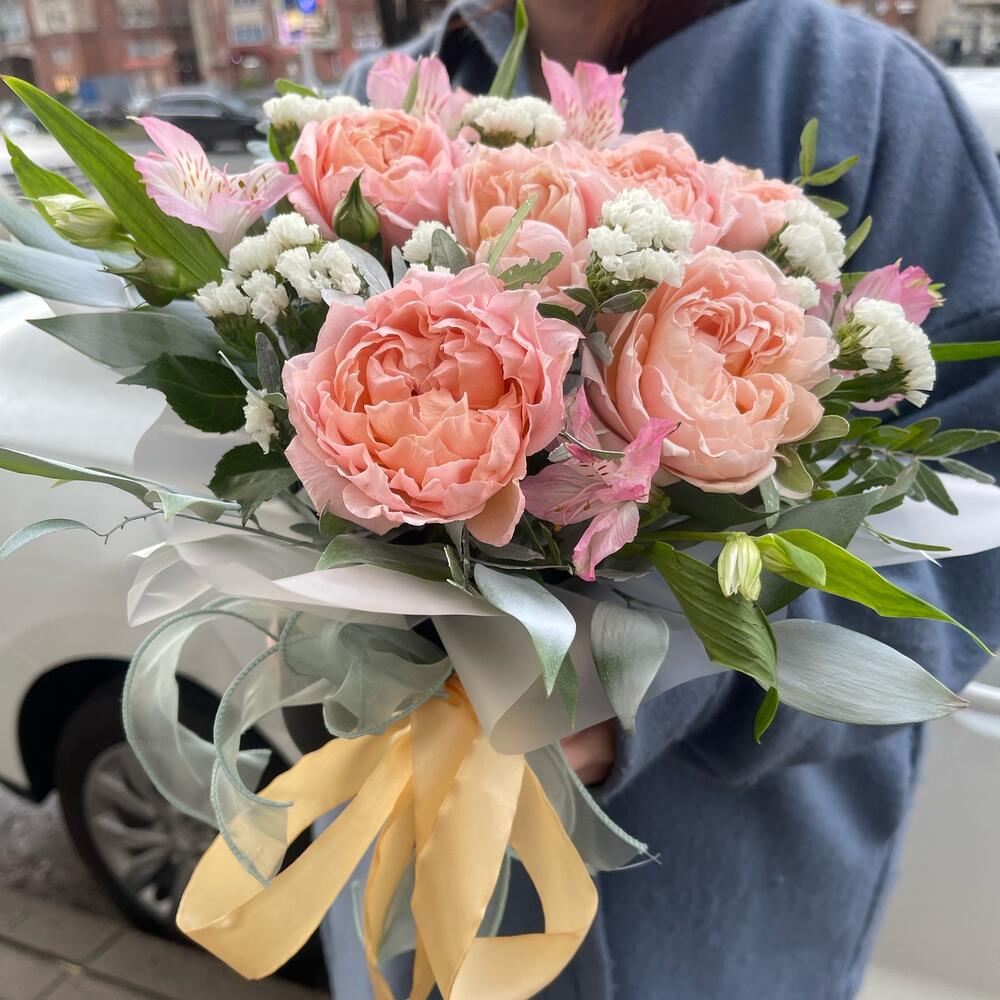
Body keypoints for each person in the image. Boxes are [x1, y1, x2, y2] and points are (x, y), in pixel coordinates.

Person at [317, 1, 1000, 996]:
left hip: (713, 917)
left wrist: (677, 682)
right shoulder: (373, 110)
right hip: (407, 882)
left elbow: (973, 510)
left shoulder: (856, 88)